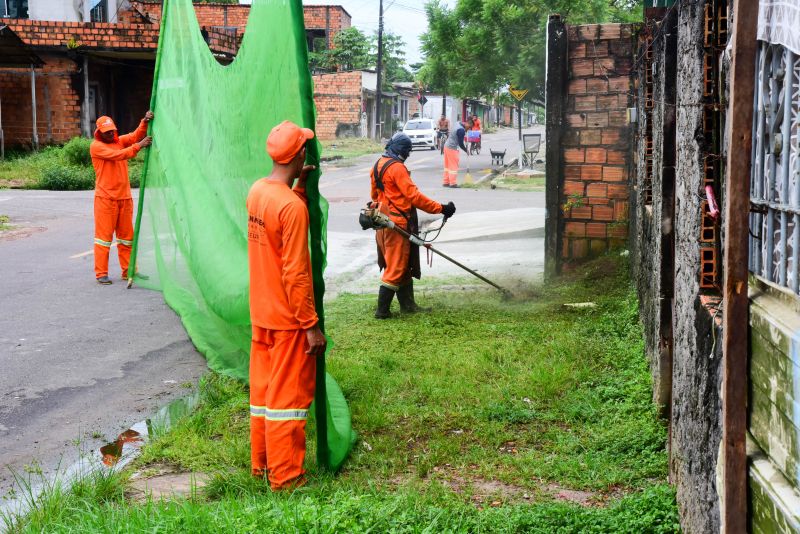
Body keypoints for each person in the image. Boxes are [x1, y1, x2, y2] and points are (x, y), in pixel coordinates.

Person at [246, 120, 327, 490]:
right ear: (298, 155)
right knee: (287, 401)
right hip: (288, 320)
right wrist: (310, 325)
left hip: (261, 315)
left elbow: (274, 236)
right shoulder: (292, 209)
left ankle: (262, 467)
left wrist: (297, 189)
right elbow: (295, 273)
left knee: (263, 397)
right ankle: (287, 478)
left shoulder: (257, 192)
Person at [371, 133, 456, 319]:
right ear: (402, 150)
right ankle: (382, 311)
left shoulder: (378, 165)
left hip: (383, 222)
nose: (408, 155)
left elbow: (374, 196)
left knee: (401, 265)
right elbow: (414, 197)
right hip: (397, 226)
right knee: (395, 268)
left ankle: (408, 305)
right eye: (408, 151)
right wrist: (441, 208)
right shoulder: (397, 168)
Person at [90, 111, 153, 285]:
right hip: (106, 199)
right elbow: (119, 155)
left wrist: (145, 121)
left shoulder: (119, 141)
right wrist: (139, 146)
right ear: (99, 133)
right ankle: (101, 273)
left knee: (127, 238)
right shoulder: (96, 147)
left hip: (124, 198)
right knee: (104, 239)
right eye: (107, 132)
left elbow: (134, 136)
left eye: (112, 131)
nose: (111, 134)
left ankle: (129, 271)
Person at [442, 118, 472, 187]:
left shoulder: (457, 123)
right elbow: (461, 144)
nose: (469, 129)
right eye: (469, 127)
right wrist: (466, 150)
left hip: (446, 146)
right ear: (467, 124)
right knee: (453, 166)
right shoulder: (461, 130)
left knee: (447, 166)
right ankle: (453, 183)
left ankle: (446, 182)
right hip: (452, 148)